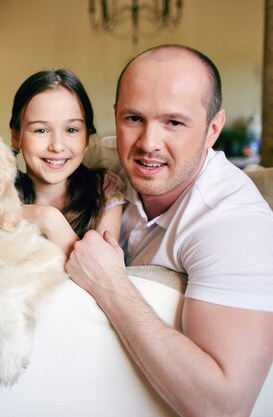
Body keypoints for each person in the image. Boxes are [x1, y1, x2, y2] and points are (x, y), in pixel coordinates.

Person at [65, 44, 273, 416]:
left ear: (213, 129)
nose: (148, 143)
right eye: (133, 119)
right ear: (115, 115)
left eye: (174, 123)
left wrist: (109, 284)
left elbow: (224, 406)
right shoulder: (99, 162)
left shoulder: (233, 220)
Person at [9, 69, 125, 256]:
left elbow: (102, 268)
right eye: (41, 130)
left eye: (71, 130)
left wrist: (49, 220)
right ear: (16, 136)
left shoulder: (104, 189)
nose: (57, 146)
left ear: (86, 137)